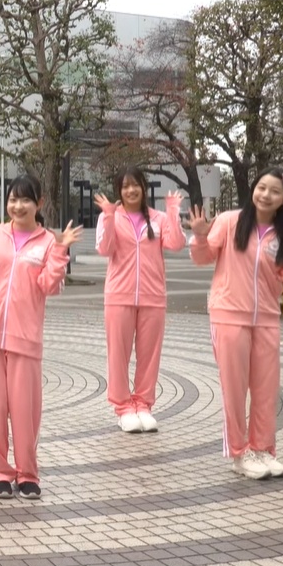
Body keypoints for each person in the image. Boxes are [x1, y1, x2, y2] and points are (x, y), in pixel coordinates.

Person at [188, 168, 283, 480]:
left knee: (266, 389)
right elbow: (202, 257)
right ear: (254, 189)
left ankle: (263, 449)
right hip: (229, 316)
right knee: (234, 390)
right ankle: (239, 454)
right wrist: (200, 235)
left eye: (275, 191)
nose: (266, 195)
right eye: (262, 187)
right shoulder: (229, 221)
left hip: (266, 319)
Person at [0, 175, 80, 500]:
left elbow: (50, 286)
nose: (18, 206)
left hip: (24, 337)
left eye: (25, 200)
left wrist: (61, 251)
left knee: (25, 412)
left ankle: (27, 473)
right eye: (13, 199)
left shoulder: (48, 242)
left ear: (39, 203)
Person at [93, 167, 186, 433]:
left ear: (144, 188)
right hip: (118, 296)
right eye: (125, 186)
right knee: (118, 355)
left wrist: (173, 211)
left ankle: (143, 404)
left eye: (135, 185)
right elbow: (104, 248)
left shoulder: (158, 218)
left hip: (152, 297)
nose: (131, 190)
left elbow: (177, 244)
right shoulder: (110, 216)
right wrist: (108, 216)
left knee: (149, 356)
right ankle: (123, 408)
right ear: (119, 191)